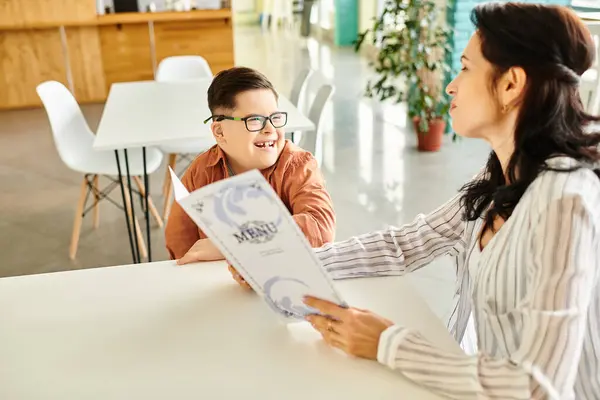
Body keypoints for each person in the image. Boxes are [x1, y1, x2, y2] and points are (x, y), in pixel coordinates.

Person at [302, 3, 600, 399]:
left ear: (511, 84)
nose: (450, 85)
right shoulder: (500, 174)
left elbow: (537, 386)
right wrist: (294, 264)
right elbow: (404, 245)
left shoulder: (566, 199)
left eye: (465, 67)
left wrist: (388, 343)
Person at [165, 67, 336, 277]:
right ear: (220, 132)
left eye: (275, 118)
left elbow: (320, 228)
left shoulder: (298, 166)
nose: (270, 129)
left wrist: (229, 244)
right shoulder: (201, 172)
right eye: (254, 120)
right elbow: (180, 242)